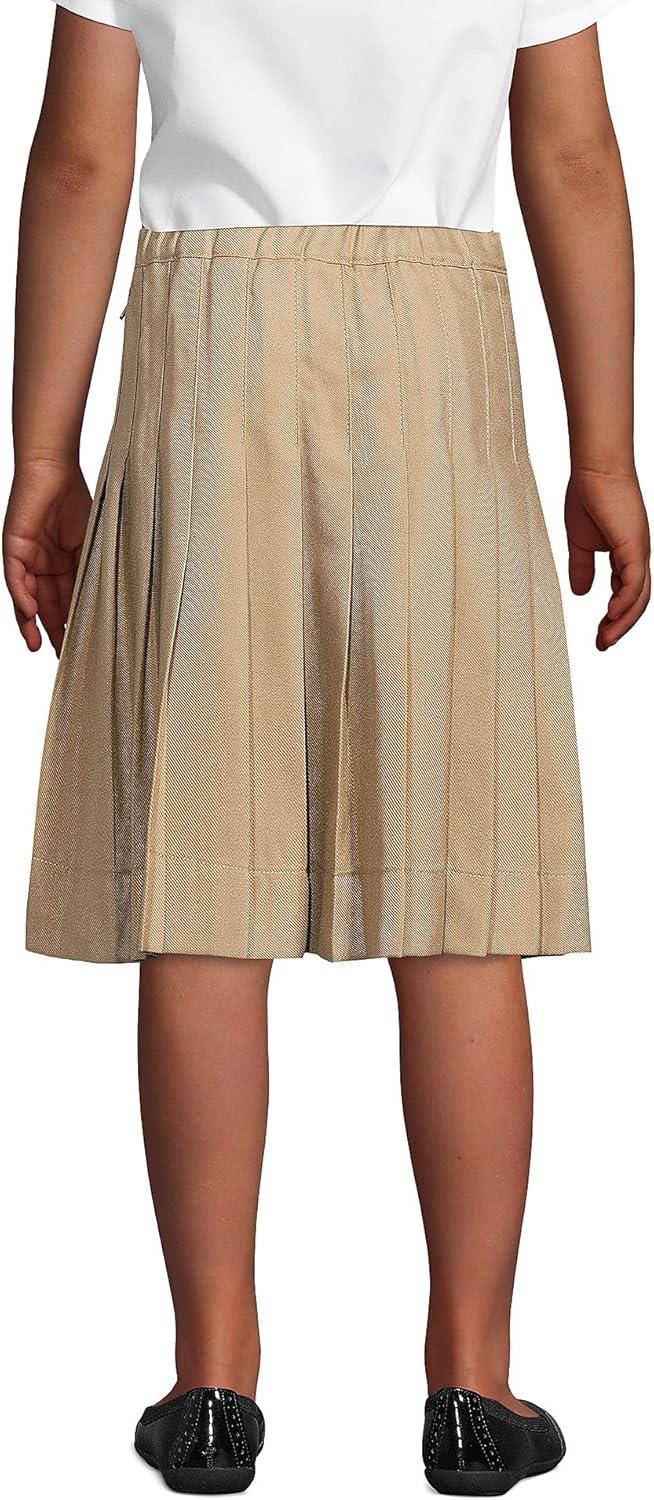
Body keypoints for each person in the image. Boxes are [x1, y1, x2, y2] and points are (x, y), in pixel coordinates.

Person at [4, 2, 649, 1495]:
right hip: (437, 343)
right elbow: (572, 154)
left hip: (205, 343)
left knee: (202, 880)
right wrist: (606, 452)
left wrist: (42, 452)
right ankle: (472, 1384)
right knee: (460, 883)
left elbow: (83, 158)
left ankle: (210, 1386)